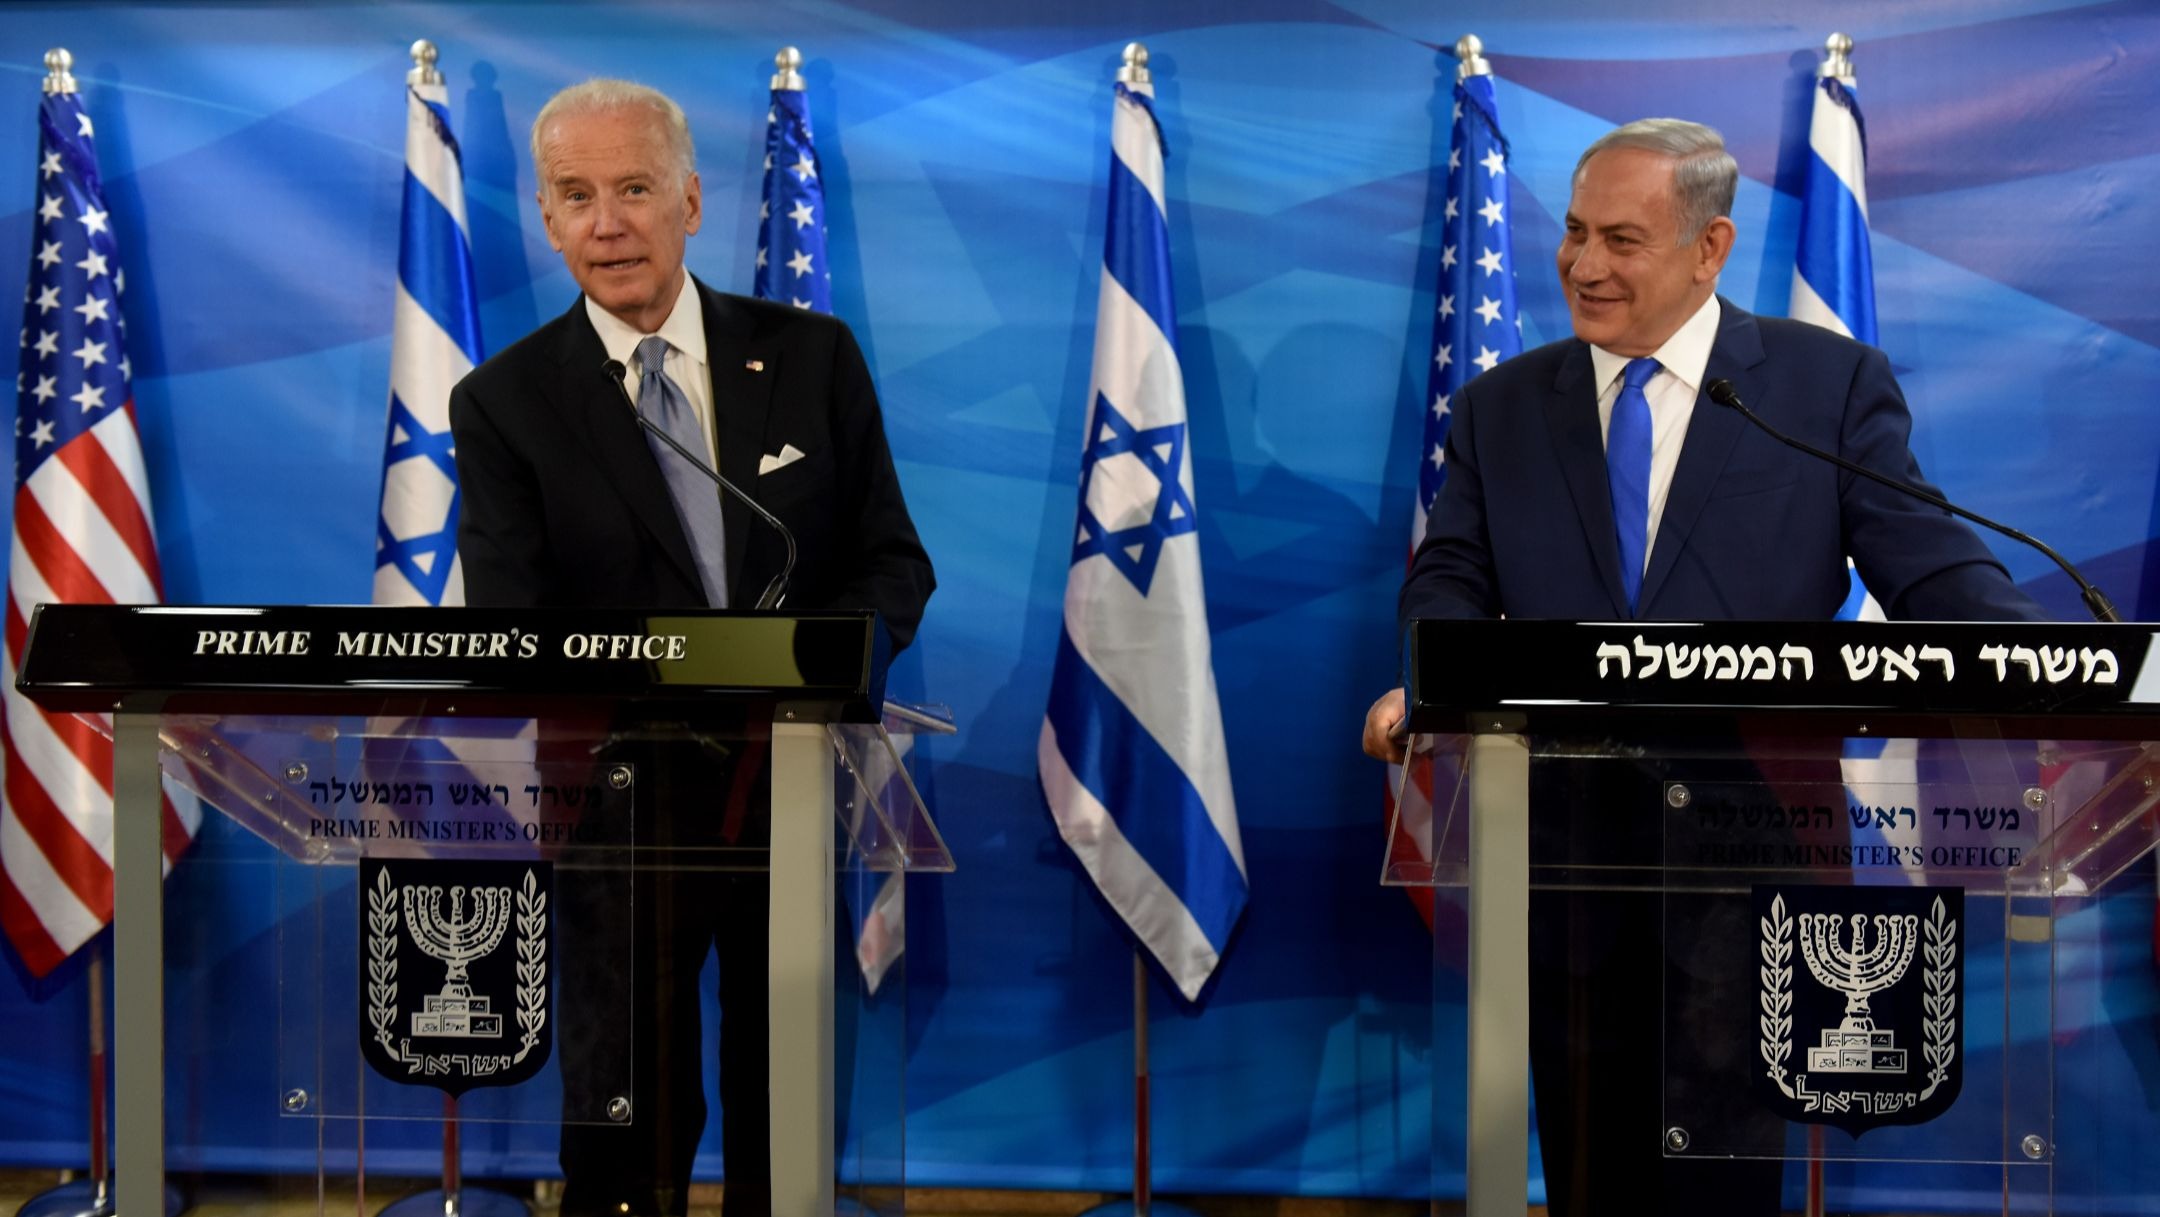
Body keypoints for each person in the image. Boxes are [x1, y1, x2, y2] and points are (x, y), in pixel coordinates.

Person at [1362, 119, 2045, 1216]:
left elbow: (1936, 569)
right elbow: (1446, 578)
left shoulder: (1824, 388)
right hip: (1564, 858)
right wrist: (1438, 675)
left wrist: (2052, 679)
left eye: (1622, 240)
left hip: (1751, 852)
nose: (1585, 266)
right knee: (1591, 1173)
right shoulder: (1501, 408)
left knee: (1726, 1180)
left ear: (1710, 246)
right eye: (1576, 233)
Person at [450, 79, 933, 1217]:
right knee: (631, 1102)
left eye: (634, 189)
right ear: (548, 215)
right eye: (576, 196)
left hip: (794, 778)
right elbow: (516, 623)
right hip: (623, 803)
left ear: (692, 201)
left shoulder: (810, 358)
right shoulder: (507, 401)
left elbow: (891, 562)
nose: (607, 222)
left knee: (782, 1087)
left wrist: (827, 677)